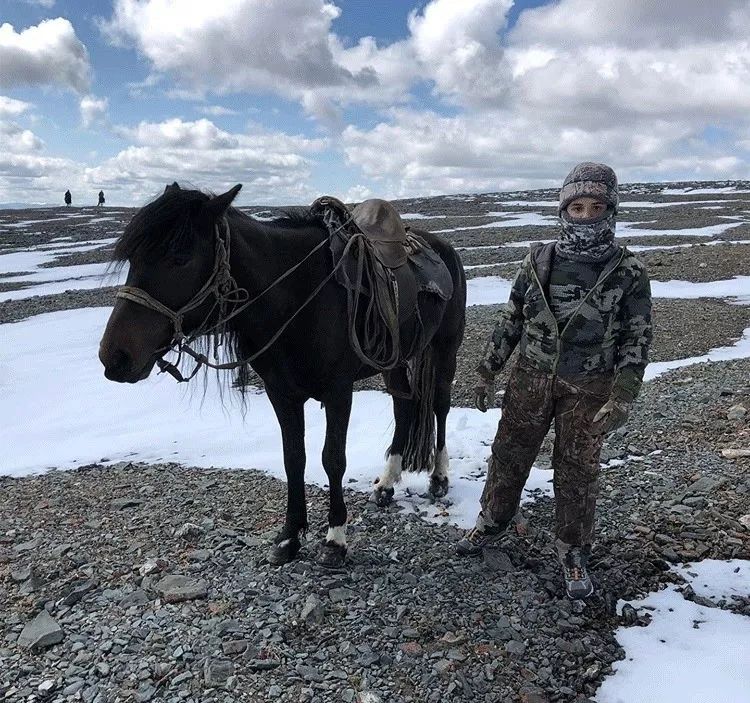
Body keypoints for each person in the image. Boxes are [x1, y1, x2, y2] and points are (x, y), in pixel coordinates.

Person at [456, 162, 652, 599]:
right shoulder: (537, 259)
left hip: (590, 387)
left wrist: (623, 394)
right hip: (530, 379)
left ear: (611, 209)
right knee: (509, 455)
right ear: (563, 209)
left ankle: (573, 551)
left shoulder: (629, 271)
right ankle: (493, 522)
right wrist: (487, 371)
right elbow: (511, 318)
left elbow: (637, 338)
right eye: (576, 207)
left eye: (596, 206)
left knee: (578, 471)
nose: (585, 216)